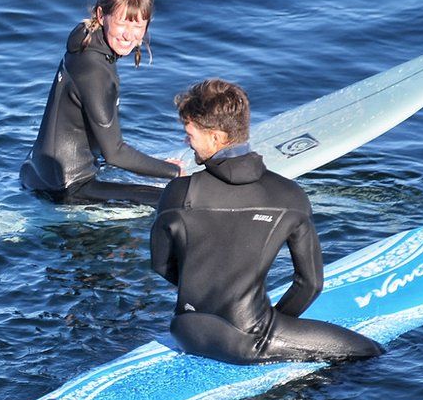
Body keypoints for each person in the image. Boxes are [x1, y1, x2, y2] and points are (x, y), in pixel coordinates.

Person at [150, 79, 384, 364]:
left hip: (185, 331)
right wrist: (277, 327)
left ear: (216, 138)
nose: (187, 142)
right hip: (250, 339)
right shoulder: (288, 195)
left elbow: (161, 265)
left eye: (190, 134)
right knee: (371, 352)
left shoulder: (178, 192)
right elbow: (310, 284)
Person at [19, 0, 184, 208]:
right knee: (176, 201)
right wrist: (172, 171)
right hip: (65, 188)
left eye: (137, 24)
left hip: (37, 172)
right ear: (101, 15)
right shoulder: (95, 72)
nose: (129, 34)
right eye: (122, 22)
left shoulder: (85, 40)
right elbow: (115, 153)